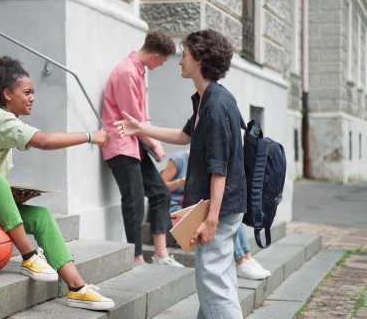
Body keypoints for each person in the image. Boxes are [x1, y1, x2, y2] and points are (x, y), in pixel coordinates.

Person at [0, 56, 114, 311]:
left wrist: (10, 199)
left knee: (41, 216)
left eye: (33, 93)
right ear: (6, 93)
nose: (32, 98)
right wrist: (89, 136)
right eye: (27, 92)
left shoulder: (4, 123)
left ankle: (77, 288)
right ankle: (29, 257)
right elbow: (45, 141)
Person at [114, 29, 247, 318]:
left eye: (184, 55)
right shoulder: (207, 99)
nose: (179, 61)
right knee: (215, 284)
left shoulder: (216, 105)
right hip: (219, 207)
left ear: (199, 59)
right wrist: (140, 128)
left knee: (214, 286)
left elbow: (219, 168)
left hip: (220, 210)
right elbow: (185, 135)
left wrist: (211, 219)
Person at [101, 31, 184, 267]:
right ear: (156, 56)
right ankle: (137, 257)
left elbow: (142, 115)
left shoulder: (138, 70)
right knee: (135, 200)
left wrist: (152, 142)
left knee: (161, 193)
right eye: (164, 60)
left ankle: (161, 255)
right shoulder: (127, 72)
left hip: (135, 143)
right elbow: (133, 118)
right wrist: (156, 144)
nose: (163, 65)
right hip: (121, 144)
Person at [163, 150, 271, 279]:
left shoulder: (208, 160)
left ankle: (248, 258)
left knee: (231, 213)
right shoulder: (179, 159)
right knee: (221, 216)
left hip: (196, 205)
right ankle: (241, 261)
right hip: (176, 207)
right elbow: (159, 186)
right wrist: (179, 183)